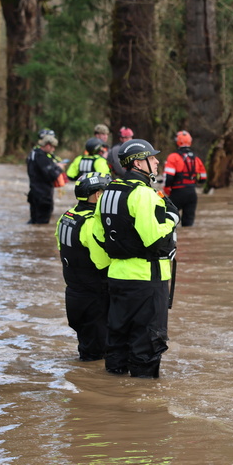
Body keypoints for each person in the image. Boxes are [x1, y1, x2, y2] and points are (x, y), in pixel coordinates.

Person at [91, 139, 181, 378]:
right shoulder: (144, 195)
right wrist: (172, 219)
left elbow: (98, 236)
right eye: (152, 158)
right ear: (139, 163)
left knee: (117, 342)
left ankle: (112, 400)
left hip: (117, 279)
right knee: (147, 346)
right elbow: (153, 239)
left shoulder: (107, 193)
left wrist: (113, 264)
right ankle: (142, 409)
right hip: (147, 281)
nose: (157, 161)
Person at [56, 172, 112, 361]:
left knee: (87, 352)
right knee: (98, 357)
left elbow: (61, 248)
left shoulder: (66, 216)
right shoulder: (91, 223)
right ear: (97, 195)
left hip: (73, 294)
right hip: (93, 298)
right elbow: (102, 262)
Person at [163, 130, 209, 227]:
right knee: (188, 225)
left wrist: (167, 188)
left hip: (177, 192)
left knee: (166, 219)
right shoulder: (196, 159)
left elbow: (168, 177)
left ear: (177, 142)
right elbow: (203, 178)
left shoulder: (173, 157)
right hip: (192, 193)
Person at [26, 133, 66, 224]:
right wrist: (59, 168)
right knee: (42, 223)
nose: (53, 149)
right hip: (43, 195)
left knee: (34, 221)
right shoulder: (42, 157)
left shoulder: (33, 153)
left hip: (33, 192)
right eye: (53, 147)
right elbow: (51, 175)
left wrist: (54, 166)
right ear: (47, 145)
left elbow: (40, 170)